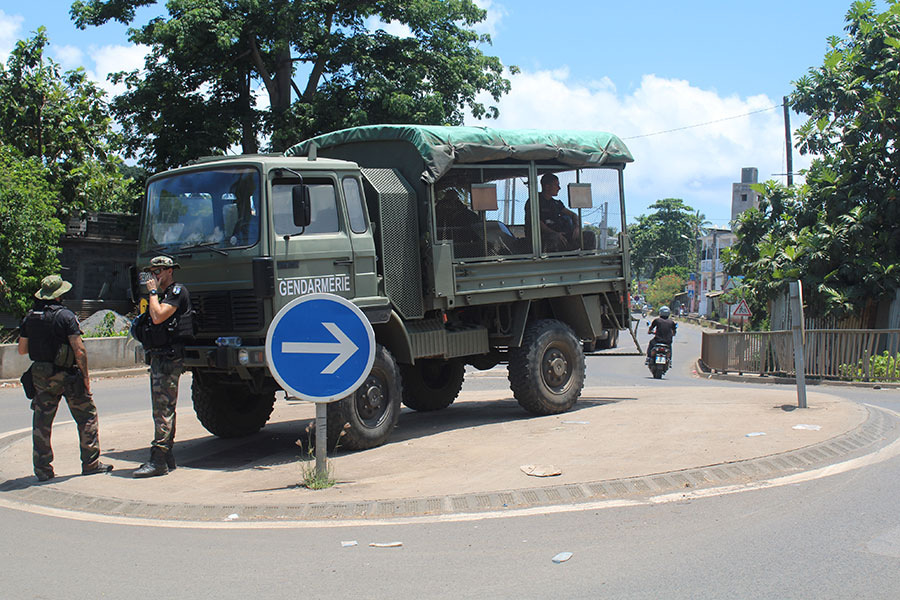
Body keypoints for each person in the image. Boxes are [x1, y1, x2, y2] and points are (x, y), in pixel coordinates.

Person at [17, 275, 113, 482]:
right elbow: (79, 350)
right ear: (60, 295)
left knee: (42, 421)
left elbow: (22, 350)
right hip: (67, 375)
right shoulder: (66, 316)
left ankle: (42, 469)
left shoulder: (30, 317)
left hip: (41, 375)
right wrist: (86, 378)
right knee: (87, 416)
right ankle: (91, 463)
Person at [133, 256, 193, 478]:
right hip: (159, 356)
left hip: (169, 358)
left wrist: (152, 293)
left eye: (158, 271)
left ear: (169, 271)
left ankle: (158, 460)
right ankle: (166, 457)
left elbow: (158, 317)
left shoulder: (177, 293)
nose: (154, 276)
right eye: (152, 271)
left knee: (162, 410)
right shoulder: (163, 295)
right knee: (164, 409)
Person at [524, 173, 594, 252]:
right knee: (554, 239)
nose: (559, 188)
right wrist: (555, 233)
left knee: (589, 235)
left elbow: (573, 215)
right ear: (547, 187)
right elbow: (536, 222)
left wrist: (577, 227)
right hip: (543, 239)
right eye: (556, 185)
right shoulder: (534, 201)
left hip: (561, 235)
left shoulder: (556, 204)